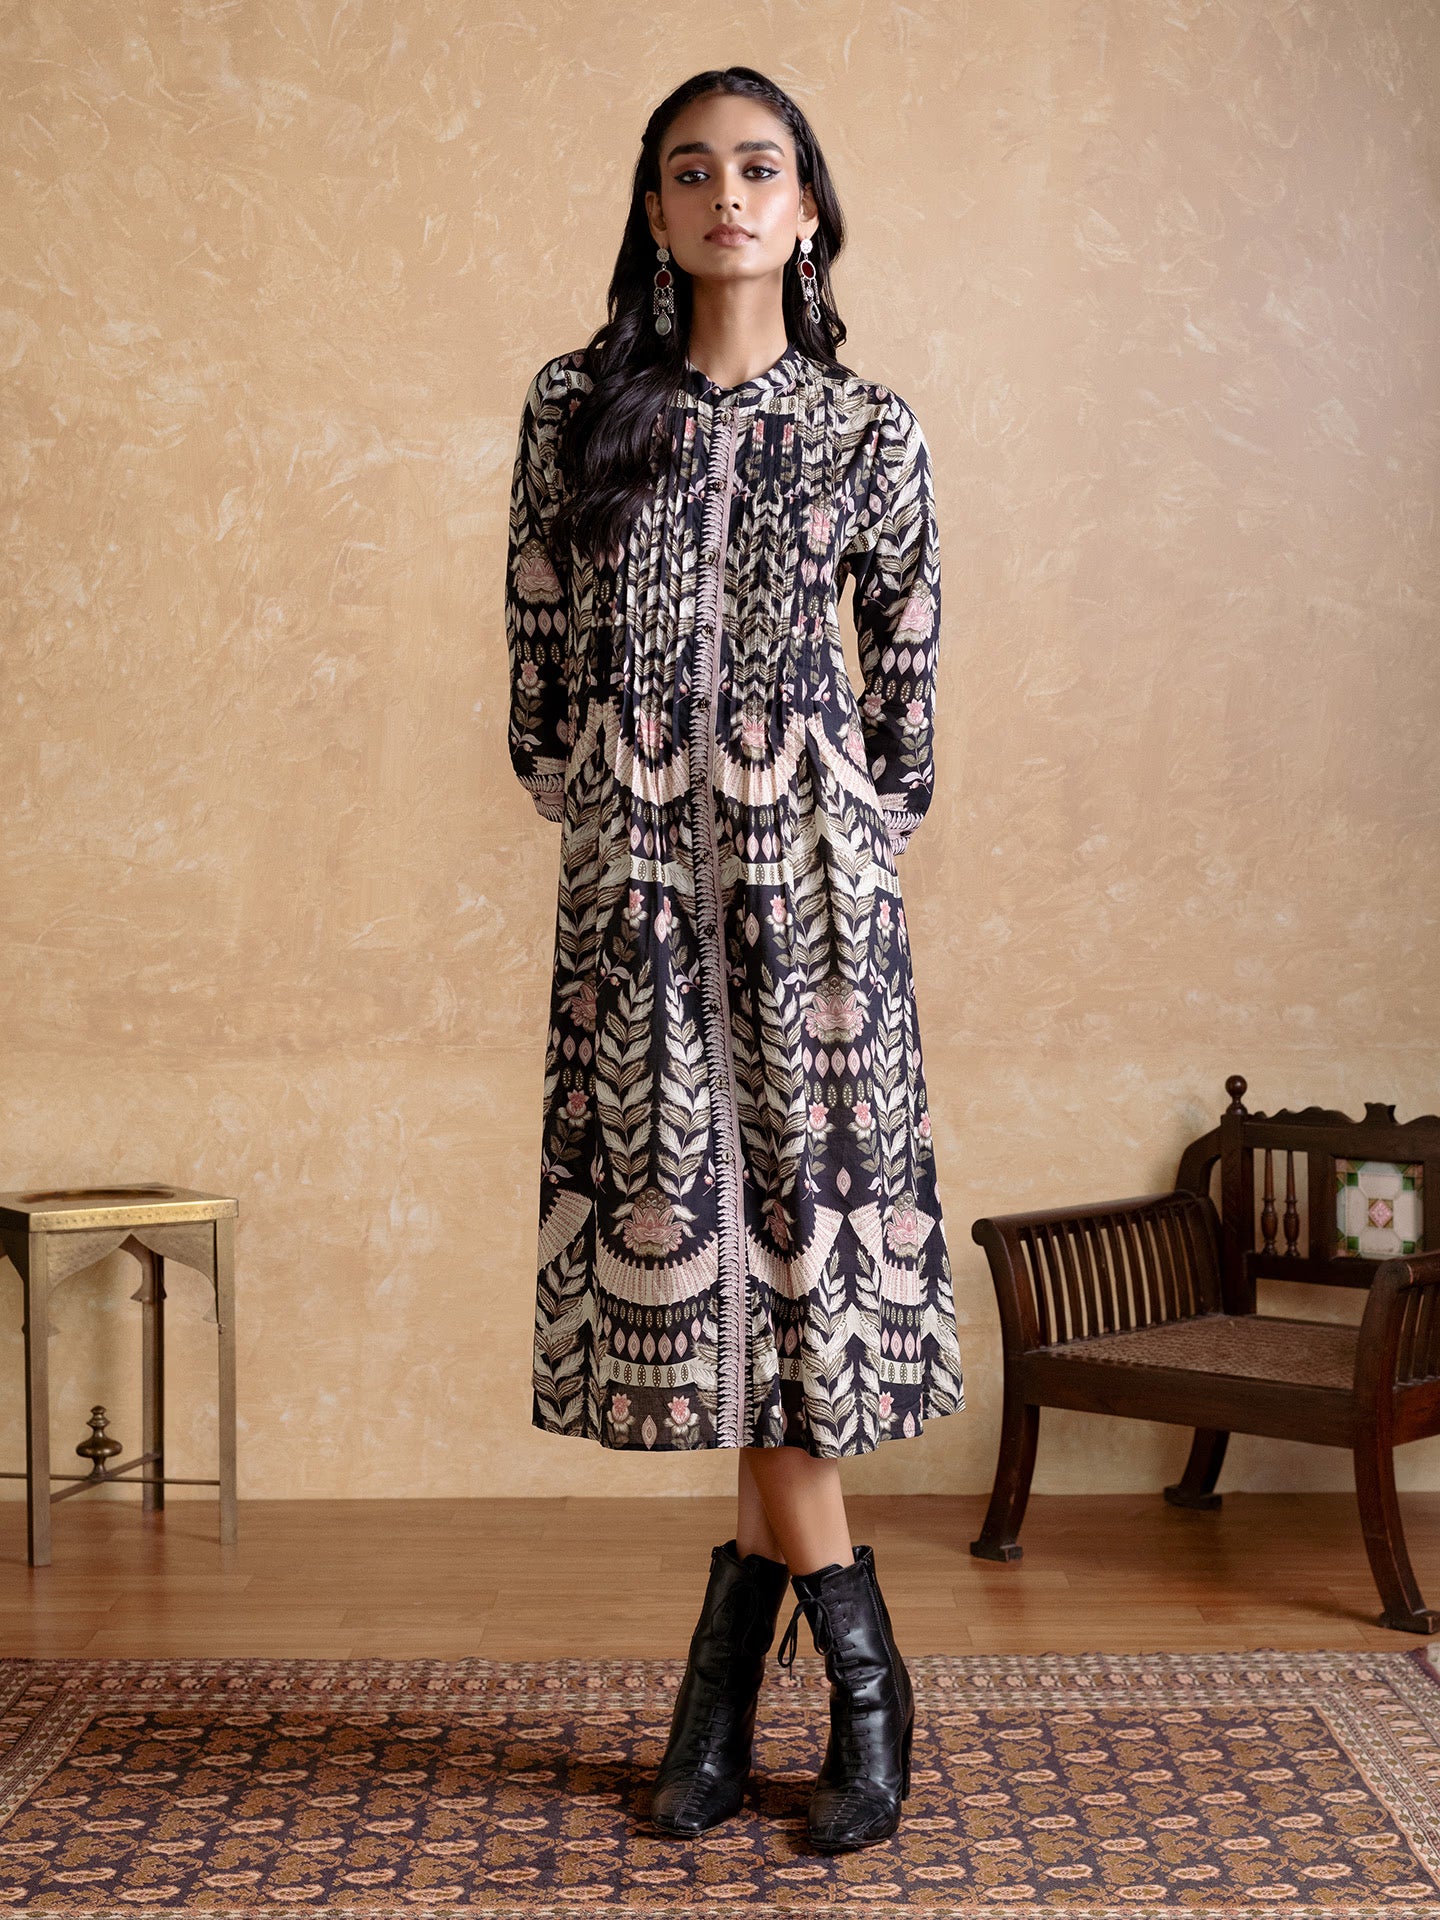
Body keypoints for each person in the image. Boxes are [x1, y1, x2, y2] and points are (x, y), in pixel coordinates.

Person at [503, 65, 964, 1854]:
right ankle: (840, 1687)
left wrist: (803, 832)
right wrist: (637, 827)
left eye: (758, 169)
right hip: (636, 911)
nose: (726, 197)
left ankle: (746, 1698)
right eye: (690, 171)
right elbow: (539, 694)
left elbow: (911, 720)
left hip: (817, 919)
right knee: (722, 1305)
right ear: (653, 208)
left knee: (793, 1301)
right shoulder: (573, 410)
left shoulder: (871, 432)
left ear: (810, 207)